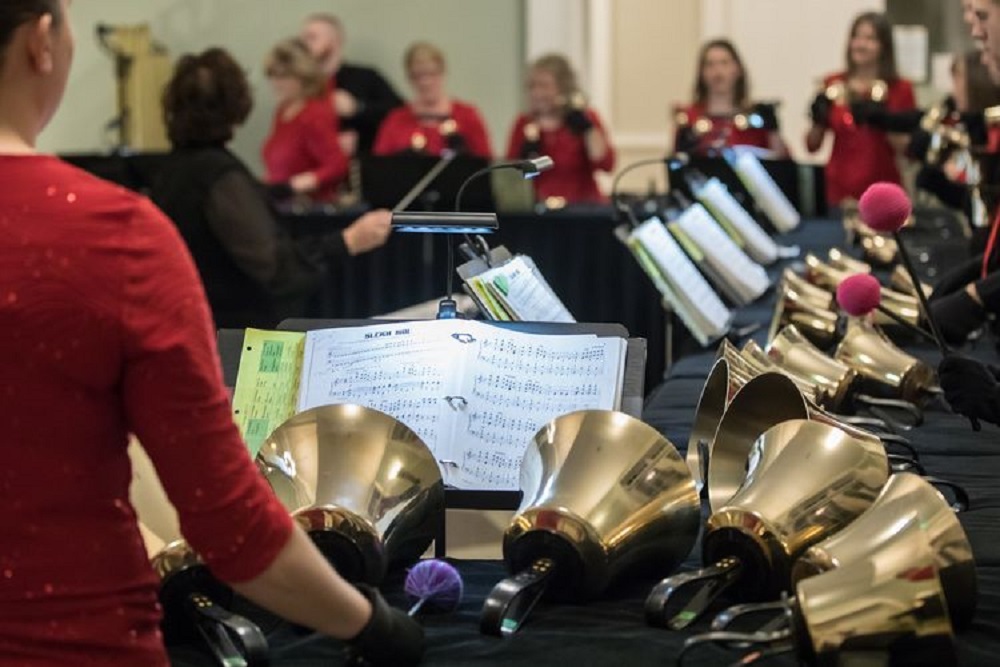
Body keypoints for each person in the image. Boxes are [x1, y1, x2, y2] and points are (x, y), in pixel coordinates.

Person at [0, 3, 421, 665]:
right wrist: (372, 624)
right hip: (72, 641)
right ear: (43, 43)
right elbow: (231, 527)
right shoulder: (113, 234)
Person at [153, 48, 391, 330]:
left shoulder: (171, 169)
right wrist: (349, 239)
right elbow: (278, 269)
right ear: (236, 103)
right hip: (231, 337)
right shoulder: (218, 175)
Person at [806, 12, 916, 207]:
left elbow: (908, 150)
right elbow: (812, 146)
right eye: (856, 36)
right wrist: (818, 118)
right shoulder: (833, 83)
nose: (860, 44)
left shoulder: (899, 88)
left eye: (870, 38)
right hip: (839, 191)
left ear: (884, 47)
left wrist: (883, 119)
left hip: (882, 191)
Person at [505, 53, 616, 205]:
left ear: (563, 89)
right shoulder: (523, 123)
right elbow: (510, 175)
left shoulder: (584, 119)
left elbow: (605, 164)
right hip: (538, 210)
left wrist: (587, 128)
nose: (536, 93)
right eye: (532, 86)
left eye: (544, 86)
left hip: (582, 209)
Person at [300, 13, 402, 157]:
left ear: (335, 41)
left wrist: (358, 108)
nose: (304, 45)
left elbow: (399, 112)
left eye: (312, 38)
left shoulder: (366, 77)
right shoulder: (302, 87)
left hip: (363, 167)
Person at [262, 38, 348, 202]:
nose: (275, 84)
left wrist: (295, 185)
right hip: (279, 202)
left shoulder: (314, 115)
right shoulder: (282, 112)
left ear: (301, 77)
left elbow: (337, 165)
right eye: (272, 76)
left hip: (306, 207)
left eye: (282, 77)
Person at [373, 42, 492, 159]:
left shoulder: (467, 115)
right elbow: (379, 165)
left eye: (432, 73)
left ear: (442, 72)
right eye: (418, 75)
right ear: (409, 78)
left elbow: (486, 162)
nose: (426, 82)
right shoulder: (396, 119)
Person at [672, 39, 786, 156]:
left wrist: (773, 131)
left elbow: (782, 163)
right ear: (701, 73)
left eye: (724, 63)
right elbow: (676, 162)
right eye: (710, 64)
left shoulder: (756, 117)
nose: (717, 71)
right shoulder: (690, 118)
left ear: (738, 69)